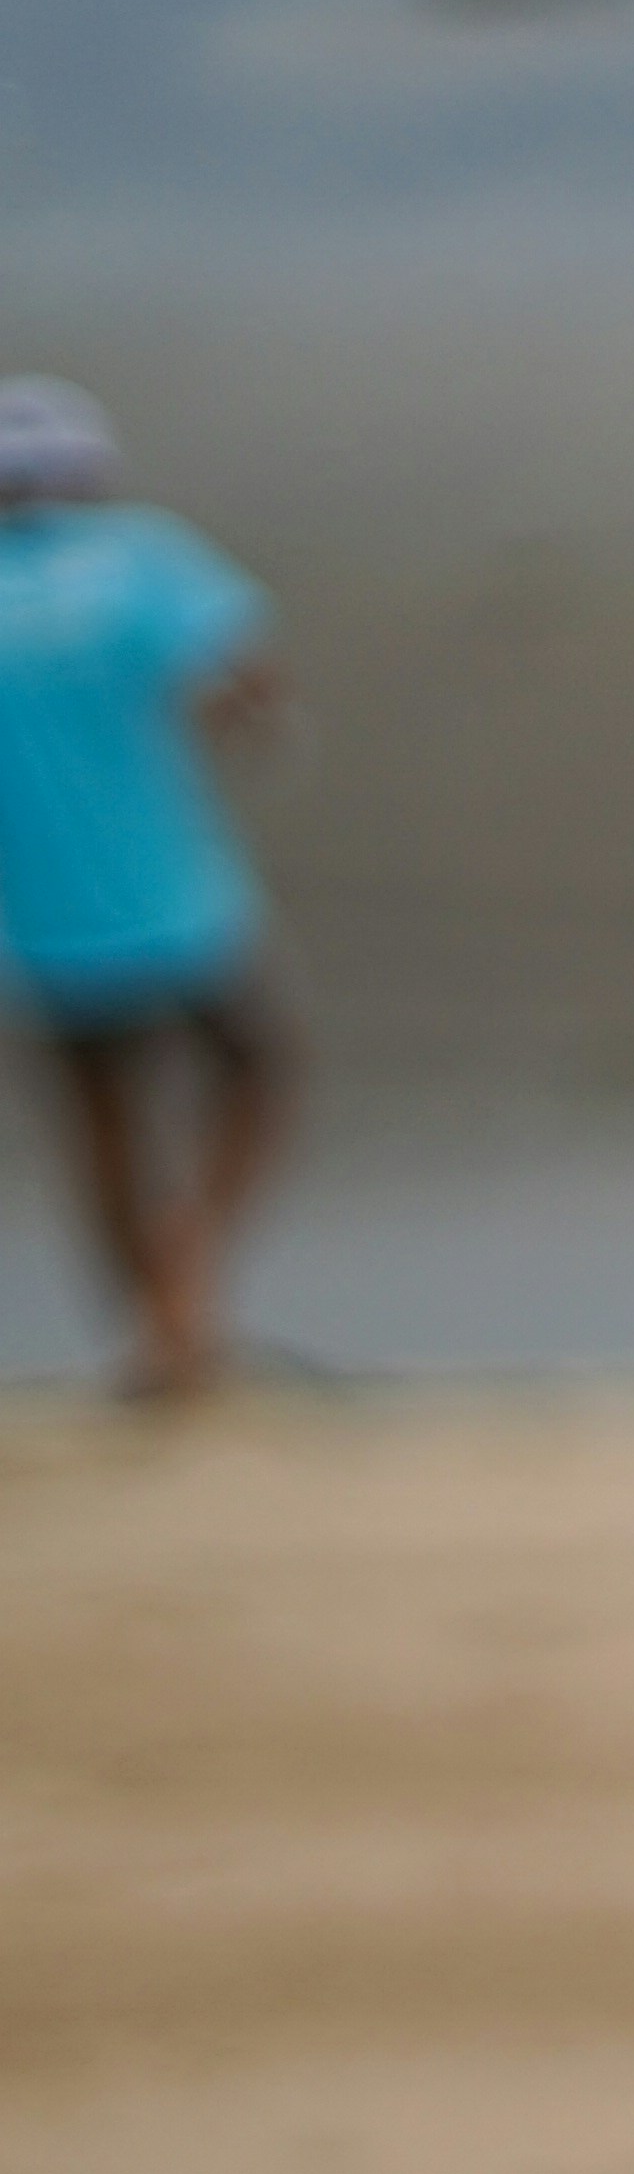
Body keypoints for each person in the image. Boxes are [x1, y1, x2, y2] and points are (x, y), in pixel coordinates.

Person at [0, 376, 294, 1403]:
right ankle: (187, 1272)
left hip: (39, 908)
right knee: (256, 1069)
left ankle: (160, 1331)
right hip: (171, 886)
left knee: (105, 1120)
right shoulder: (137, 560)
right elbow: (247, 677)